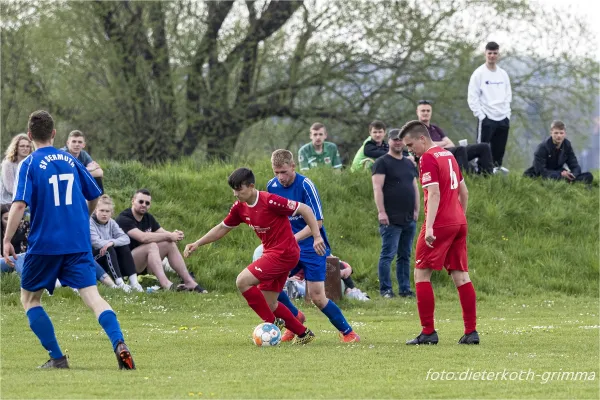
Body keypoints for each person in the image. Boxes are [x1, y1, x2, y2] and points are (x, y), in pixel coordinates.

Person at [2, 110, 135, 369]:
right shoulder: (70, 159)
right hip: (77, 241)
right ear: (54, 134)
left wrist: (7, 240)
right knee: (93, 297)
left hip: (45, 244)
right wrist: (84, 214)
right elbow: (95, 192)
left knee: (30, 299)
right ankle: (119, 343)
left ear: (30, 135)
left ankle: (57, 358)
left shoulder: (28, 164)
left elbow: (18, 206)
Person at [184, 167, 324, 345]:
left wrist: (317, 236)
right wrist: (197, 243)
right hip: (272, 253)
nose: (235, 194)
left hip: (284, 253)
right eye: (233, 189)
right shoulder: (239, 208)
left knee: (242, 281)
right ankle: (304, 334)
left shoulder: (270, 201)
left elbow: (305, 209)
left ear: (251, 186)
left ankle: (272, 323)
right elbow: (222, 228)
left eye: (239, 189)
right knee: (270, 303)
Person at [399, 120, 479, 346]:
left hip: (440, 223)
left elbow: (433, 193)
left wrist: (431, 226)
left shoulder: (428, 158)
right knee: (461, 276)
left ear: (422, 139)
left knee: (421, 275)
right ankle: (471, 332)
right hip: (458, 222)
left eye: (411, 145)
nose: (410, 150)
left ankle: (428, 332)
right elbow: (464, 191)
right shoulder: (448, 155)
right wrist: (459, 216)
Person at [268, 150, 360, 343]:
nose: (280, 177)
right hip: (288, 247)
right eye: (276, 172)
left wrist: (292, 239)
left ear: (293, 166)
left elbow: (317, 222)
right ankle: (295, 320)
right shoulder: (272, 186)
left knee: (318, 296)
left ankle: (348, 332)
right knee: (270, 288)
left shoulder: (305, 185)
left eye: (284, 172)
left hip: (312, 246)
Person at [115, 189, 206, 293]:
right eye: (141, 201)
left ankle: (189, 282)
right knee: (152, 245)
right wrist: (169, 235)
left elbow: (164, 234)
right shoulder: (124, 218)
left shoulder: (148, 218)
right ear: (133, 201)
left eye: (147, 203)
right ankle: (166, 284)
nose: (144, 205)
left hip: (143, 264)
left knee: (169, 244)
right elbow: (143, 237)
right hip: (126, 264)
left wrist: (175, 235)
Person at [372, 129, 419, 298]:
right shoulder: (382, 162)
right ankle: (386, 290)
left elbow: (414, 187)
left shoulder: (409, 163)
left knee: (405, 256)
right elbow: (377, 188)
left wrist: (416, 210)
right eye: (394, 140)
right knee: (387, 255)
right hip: (390, 218)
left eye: (401, 140)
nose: (398, 142)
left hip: (408, 218)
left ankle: (405, 289)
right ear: (389, 141)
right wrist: (381, 212)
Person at [468, 41, 512, 173]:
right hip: (487, 117)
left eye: (495, 53)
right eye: (490, 53)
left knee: (499, 149)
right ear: (485, 54)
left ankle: (496, 172)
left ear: (498, 54)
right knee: (483, 148)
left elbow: (508, 94)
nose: (492, 56)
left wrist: (507, 114)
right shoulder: (479, 73)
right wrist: (481, 116)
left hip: (503, 117)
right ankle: (480, 173)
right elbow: (472, 97)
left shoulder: (503, 74)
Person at [416, 100, 493, 175]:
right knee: (460, 149)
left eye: (428, 111)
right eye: (423, 111)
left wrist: (435, 144)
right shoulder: (415, 129)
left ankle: (487, 177)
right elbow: (425, 146)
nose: (426, 113)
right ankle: (465, 179)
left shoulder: (435, 128)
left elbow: (451, 144)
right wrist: (443, 143)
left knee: (484, 147)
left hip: (451, 151)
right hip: (436, 157)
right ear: (417, 112)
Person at [90, 194, 143, 292]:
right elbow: (96, 243)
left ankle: (134, 282)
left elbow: (126, 238)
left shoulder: (111, 222)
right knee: (108, 249)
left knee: (123, 247)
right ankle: (120, 283)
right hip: (94, 258)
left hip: (108, 256)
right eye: (101, 210)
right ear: (95, 210)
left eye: (107, 211)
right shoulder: (90, 222)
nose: (104, 214)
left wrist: (112, 242)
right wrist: (110, 244)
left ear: (111, 213)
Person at [524, 120, 594, 185]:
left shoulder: (567, 145)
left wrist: (572, 175)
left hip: (560, 173)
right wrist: (560, 175)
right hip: (542, 175)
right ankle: (569, 182)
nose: (559, 136)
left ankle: (569, 181)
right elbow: (541, 171)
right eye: (556, 133)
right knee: (547, 178)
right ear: (551, 133)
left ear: (565, 134)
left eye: (561, 133)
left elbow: (575, 165)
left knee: (589, 176)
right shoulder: (542, 148)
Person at [0, 133, 33, 204]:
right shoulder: (8, 164)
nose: (25, 149)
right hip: (7, 201)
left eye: (28, 146)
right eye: (22, 146)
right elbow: (10, 188)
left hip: (26, 199)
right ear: (16, 147)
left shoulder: (31, 163)